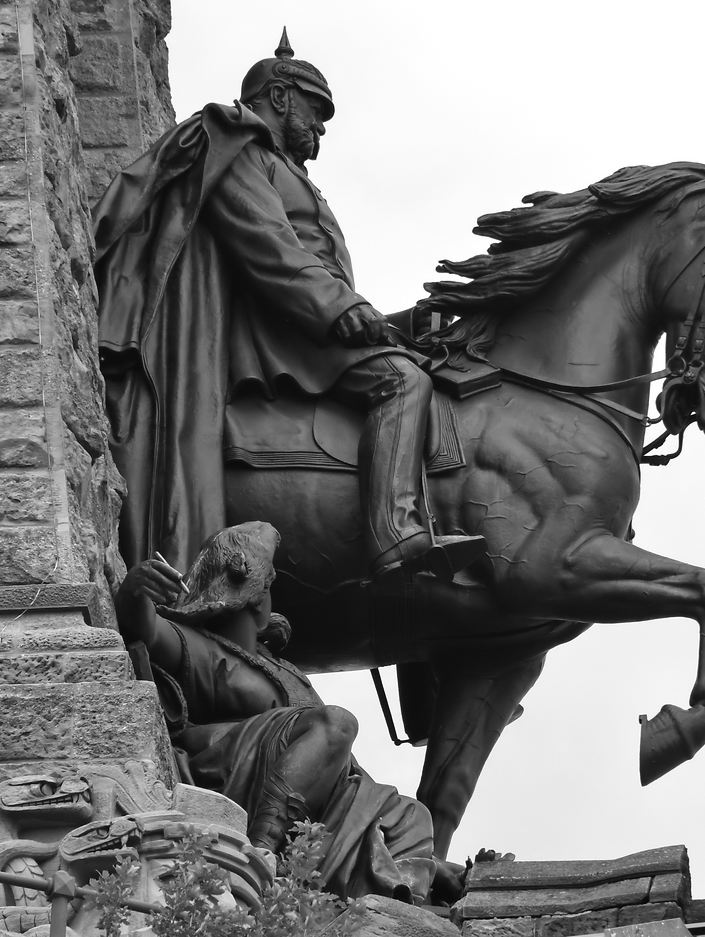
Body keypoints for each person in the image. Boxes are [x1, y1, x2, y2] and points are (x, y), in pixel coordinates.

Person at [92, 30, 485, 583]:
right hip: (281, 332)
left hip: (312, 320)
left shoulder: (289, 171)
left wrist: (392, 320)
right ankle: (396, 538)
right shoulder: (238, 146)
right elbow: (269, 247)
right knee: (403, 382)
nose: (322, 127)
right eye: (316, 109)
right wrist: (340, 308)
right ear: (280, 97)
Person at [114, 521, 438, 902]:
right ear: (255, 594)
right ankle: (260, 851)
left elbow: (335, 757)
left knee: (411, 814)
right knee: (336, 722)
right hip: (238, 770)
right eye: (270, 585)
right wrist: (135, 590)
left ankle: (388, 899)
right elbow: (145, 628)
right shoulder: (200, 648)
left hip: (312, 793)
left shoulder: (282, 668)